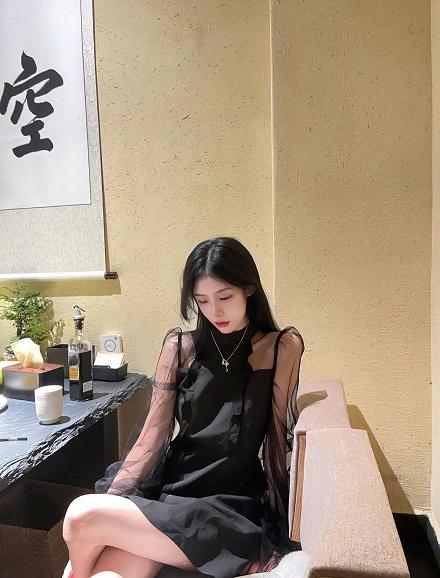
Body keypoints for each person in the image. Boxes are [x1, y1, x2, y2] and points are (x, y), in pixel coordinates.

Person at [62, 236, 305, 578]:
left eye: (224, 297)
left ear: (249, 289)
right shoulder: (181, 347)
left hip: (228, 506)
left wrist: (282, 528)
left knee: (81, 516)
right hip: (172, 495)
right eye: (202, 300)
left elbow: (278, 442)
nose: (214, 311)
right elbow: (152, 437)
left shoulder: (281, 347)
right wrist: (115, 497)